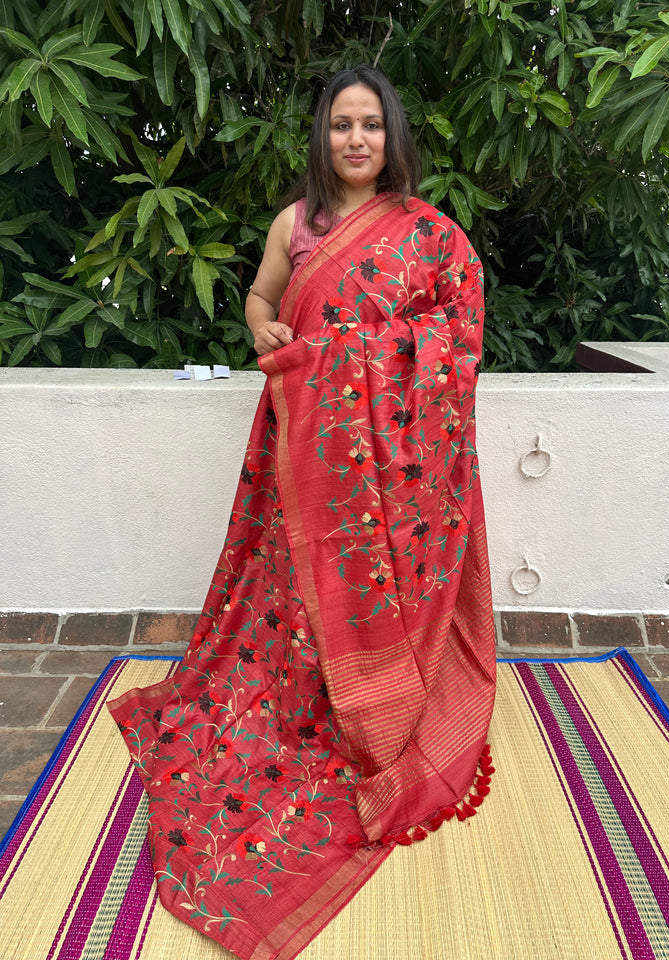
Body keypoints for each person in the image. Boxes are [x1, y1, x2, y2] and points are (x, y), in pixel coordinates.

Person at [108, 65, 496, 960]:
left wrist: (364, 353)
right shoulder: (296, 224)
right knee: (289, 589)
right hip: (305, 454)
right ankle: (300, 704)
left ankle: (384, 707)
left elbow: (461, 342)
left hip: (397, 480)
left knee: (373, 588)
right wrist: (263, 328)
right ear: (321, 138)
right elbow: (259, 295)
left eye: (370, 125)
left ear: (392, 137)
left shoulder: (433, 236)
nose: (355, 140)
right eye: (339, 126)